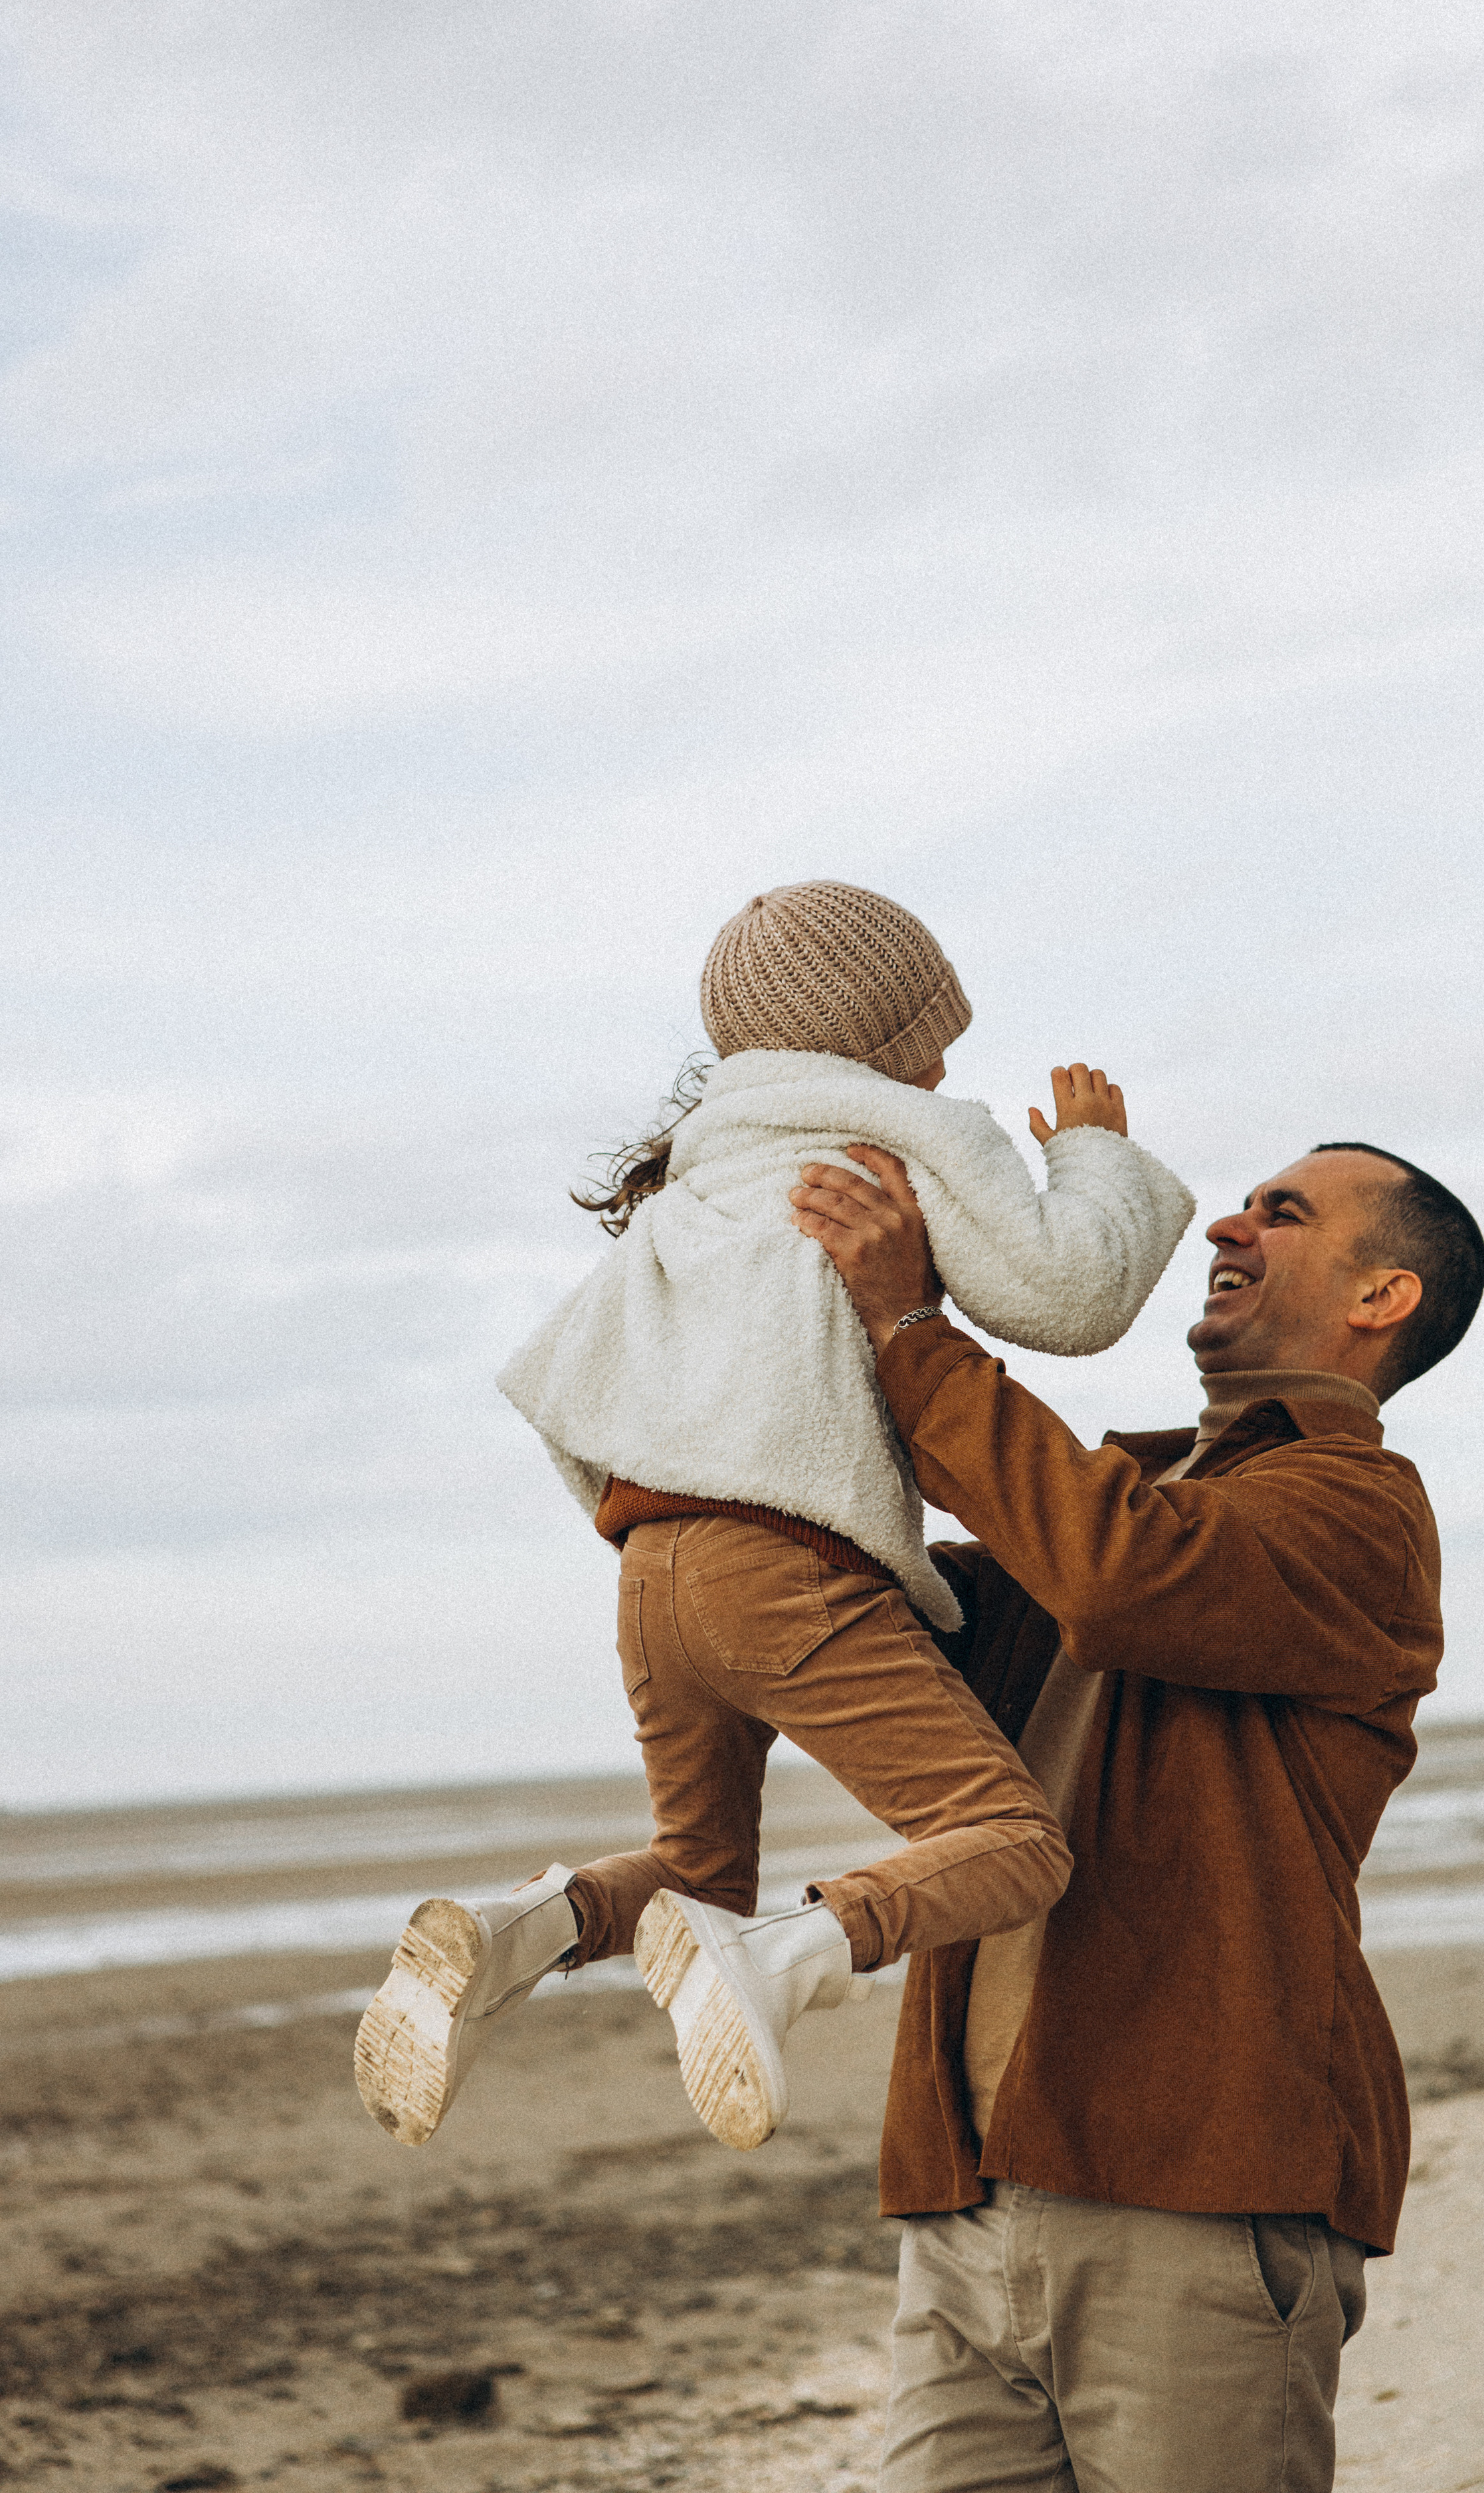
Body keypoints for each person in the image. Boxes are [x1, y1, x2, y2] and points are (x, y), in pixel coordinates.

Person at [354, 882, 1193, 2158]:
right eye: (934, 1030)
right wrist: (1091, 1157)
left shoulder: (696, 1179)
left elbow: (581, 1387)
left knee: (694, 1866)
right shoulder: (900, 1141)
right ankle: (786, 1957)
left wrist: (666, 1544)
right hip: (781, 1565)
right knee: (1013, 1843)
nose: (950, 1057)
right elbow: (1071, 1297)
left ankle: (517, 1928)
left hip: (648, 1569)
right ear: (881, 1040)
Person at [786, 1133, 1484, 2493]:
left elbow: (1120, 1579)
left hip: (1197, 2182)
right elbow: (881, 1636)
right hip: (972, 2181)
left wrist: (911, 1325)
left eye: (1278, 1214)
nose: (1224, 1226)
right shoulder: (1131, 1507)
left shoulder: (1354, 1511)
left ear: (1378, 1298)